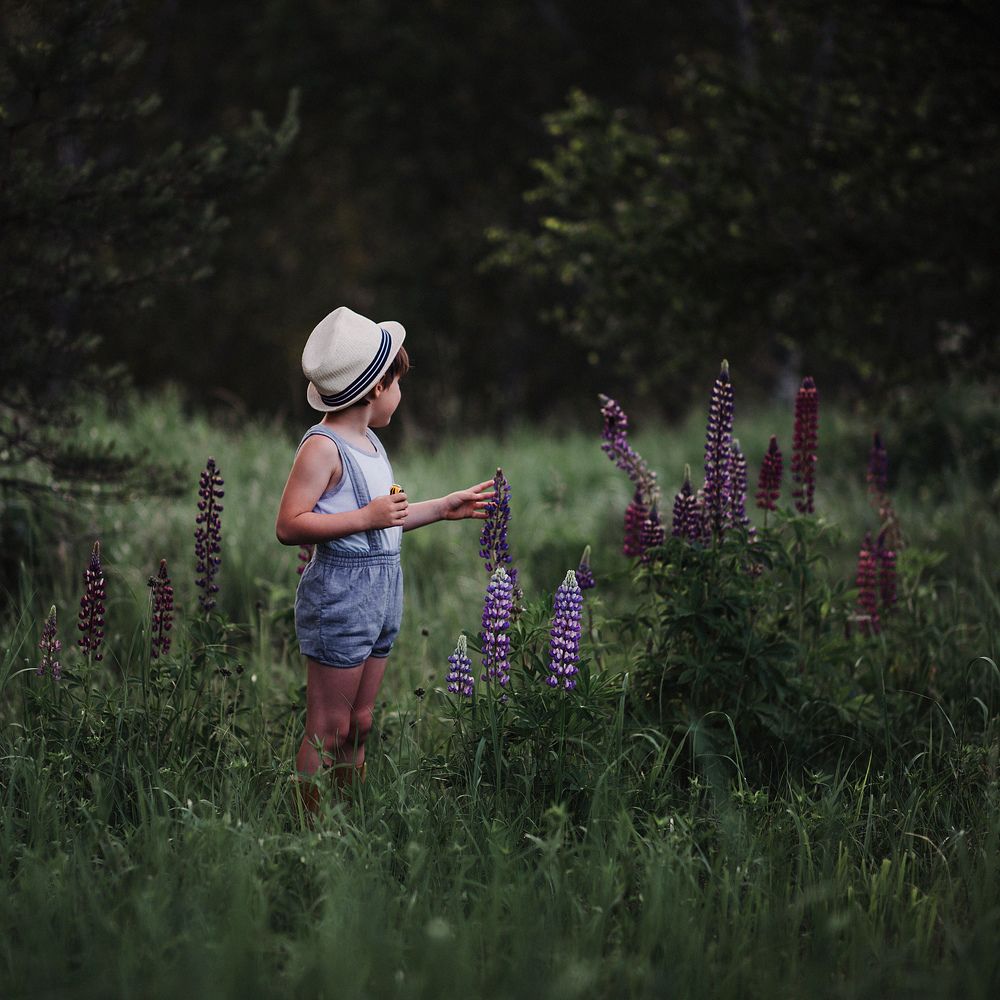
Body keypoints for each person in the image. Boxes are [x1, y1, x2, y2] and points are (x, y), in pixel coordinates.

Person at [275, 306, 492, 812]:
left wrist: (442, 508)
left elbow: (385, 520)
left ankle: (349, 817)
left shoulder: (371, 443)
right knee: (329, 727)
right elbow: (289, 525)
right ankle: (308, 830)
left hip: (382, 593)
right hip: (341, 596)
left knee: (360, 722)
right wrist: (366, 517)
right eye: (399, 382)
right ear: (377, 388)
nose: (401, 392)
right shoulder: (322, 448)